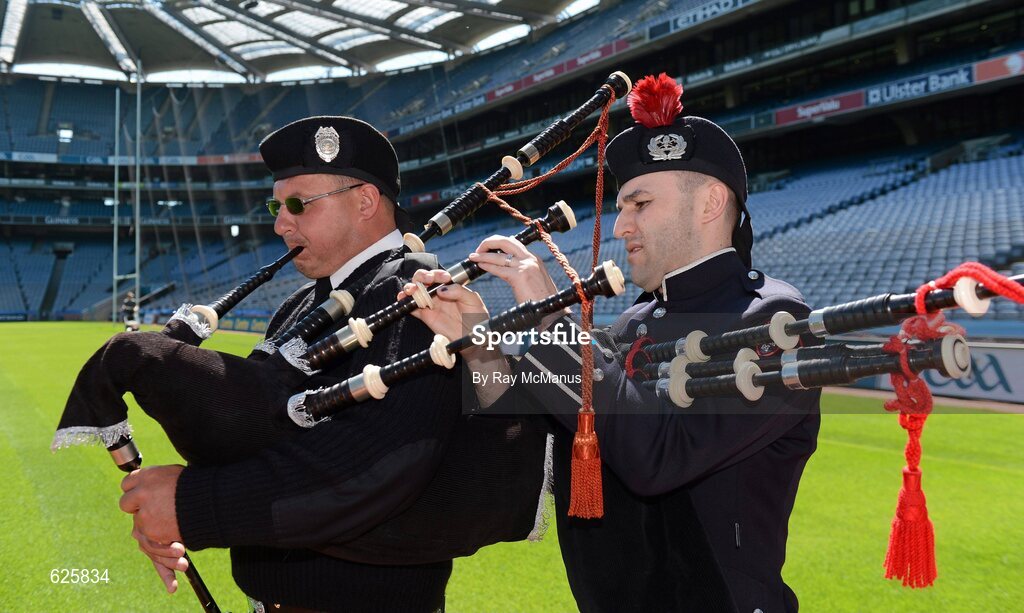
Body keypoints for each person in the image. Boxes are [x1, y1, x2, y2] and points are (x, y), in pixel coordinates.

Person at [406, 74, 821, 612]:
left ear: (710, 203)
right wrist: (477, 341)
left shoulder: (774, 321)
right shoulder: (630, 325)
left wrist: (551, 316)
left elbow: (657, 457)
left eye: (640, 203)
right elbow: (538, 440)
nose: (621, 225)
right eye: (621, 206)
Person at [117, 116, 463, 612]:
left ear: (365, 201)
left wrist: (190, 505)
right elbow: (262, 439)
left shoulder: (413, 292)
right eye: (275, 206)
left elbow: (376, 469)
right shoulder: (299, 305)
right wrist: (168, 505)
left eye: (299, 204)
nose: (280, 222)